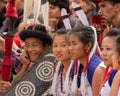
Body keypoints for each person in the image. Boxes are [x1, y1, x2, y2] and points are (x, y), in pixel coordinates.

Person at [0, 24, 54, 95]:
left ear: (46, 46)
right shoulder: (28, 64)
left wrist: (13, 89)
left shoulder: (50, 66)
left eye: (34, 45)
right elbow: (14, 86)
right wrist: (25, 66)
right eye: (27, 45)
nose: (30, 49)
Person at [67, 26, 105, 96]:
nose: (70, 48)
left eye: (74, 44)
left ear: (88, 45)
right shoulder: (75, 66)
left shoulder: (96, 68)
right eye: (69, 44)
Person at [51, 29, 80, 95]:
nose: (58, 50)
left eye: (63, 45)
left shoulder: (78, 70)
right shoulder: (58, 69)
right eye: (55, 45)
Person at [100, 28, 120, 96]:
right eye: (102, 49)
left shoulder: (117, 73)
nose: (103, 53)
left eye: (108, 49)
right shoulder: (109, 69)